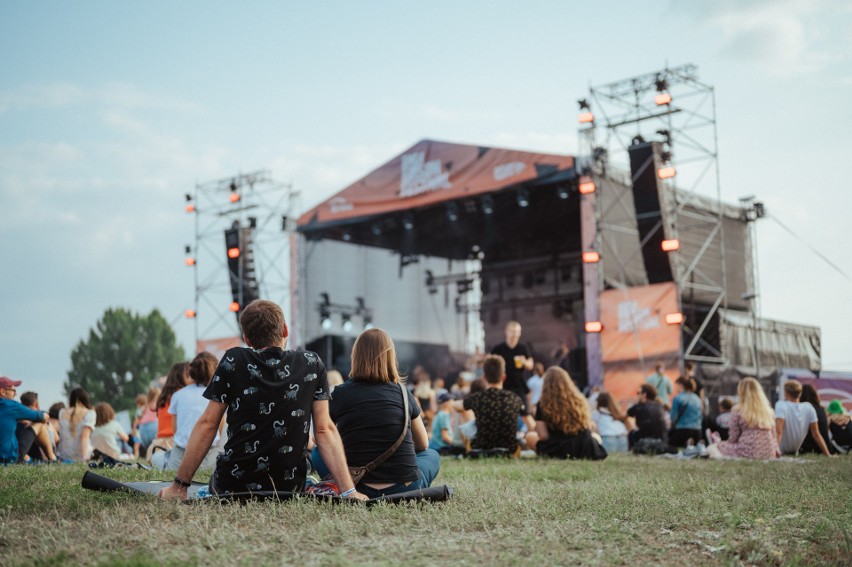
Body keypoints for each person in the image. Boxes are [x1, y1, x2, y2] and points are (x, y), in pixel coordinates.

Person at [160, 299, 364, 500]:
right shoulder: (311, 364)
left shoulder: (234, 360)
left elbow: (208, 424)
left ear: (247, 339)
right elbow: (324, 429)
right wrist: (349, 491)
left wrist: (179, 486)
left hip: (233, 486)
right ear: (285, 330)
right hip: (290, 487)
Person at [312, 328, 440, 497]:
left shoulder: (339, 394)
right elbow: (422, 444)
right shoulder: (404, 393)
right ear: (390, 358)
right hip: (405, 487)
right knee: (431, 454)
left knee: (317, 451)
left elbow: (321, 439)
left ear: (355, 357)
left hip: (356, 485)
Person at [524, 367, 605, 460]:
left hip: (557, 449)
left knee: (530, 436)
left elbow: (543, 436)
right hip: (583, 447)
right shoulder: (580, 401)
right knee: (596, 437)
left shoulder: (543, 404)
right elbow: (589, 427)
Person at [164, 352, 222, 471]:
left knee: (157, 457)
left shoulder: (177, 395)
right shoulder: (217, 396)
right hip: (209, 459)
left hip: (179, 460)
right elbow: (218, 430)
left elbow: (176, 431)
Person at [461, 355, 532, 452]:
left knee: (465, 427)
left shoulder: (477, 398)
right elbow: (530, 424)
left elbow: (457, 406)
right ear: (503, 377)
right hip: (509, 449)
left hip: (482, 448)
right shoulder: (515, 398)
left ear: (484, 377)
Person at [707, 378, 779, 460]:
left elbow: (733, 438)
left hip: (747, 451)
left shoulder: (738, 410)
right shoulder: (769, 411)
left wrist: (722, 444)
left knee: (713, 448)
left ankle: (715, 442)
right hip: (769, 452)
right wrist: (776, 451)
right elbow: (774, 437)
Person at [148, 362, 190, 467]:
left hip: (158, 444)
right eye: (189, 374)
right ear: (181, 377)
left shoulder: (164, 395)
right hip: (173, 443)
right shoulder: (182, 394)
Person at [775, 380, 831, 457]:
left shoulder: (781, 405)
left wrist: (774, 452)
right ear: (800, 394)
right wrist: (828, 454)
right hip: (795, 451)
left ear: (786, 393)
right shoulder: (809, 408)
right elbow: (816, 434)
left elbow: (778, 431)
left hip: (780, 450)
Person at [0, 376, 49, 464]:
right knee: (39, 425)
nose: (15, 394)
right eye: (13, 391)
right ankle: (53, 458)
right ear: (2, 391)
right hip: (8, 459)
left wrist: (19, 419)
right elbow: (43, 416)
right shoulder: (11, 405)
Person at [490, 321, 533, 413]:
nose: (515, 334)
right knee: (503, 413)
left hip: (519, 386)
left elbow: (531, 364)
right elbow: (489, 363)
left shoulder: (523, 348)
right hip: (502, 386)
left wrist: (524, 362)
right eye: (513, 331)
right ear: (507, 332)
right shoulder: (498, 349)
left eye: (517, 332)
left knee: (525, 413)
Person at [57, 387, 96, 462]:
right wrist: (84, 459)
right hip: (80, 455)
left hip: (63, 455)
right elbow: (85, 436)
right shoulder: (90, 413)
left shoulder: (61, 412)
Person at [17, 391, 57, 462]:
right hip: (36, 456)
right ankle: (52, 457)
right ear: (36, 404)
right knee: (42, 425)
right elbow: (57, 439)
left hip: (22, 452)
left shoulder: (18, 416)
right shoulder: (42, 416)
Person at [626, 384, 668, 449]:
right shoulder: (659, 405)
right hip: (662, 442)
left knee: (632, 433)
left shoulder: (639, 406)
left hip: (645, 441)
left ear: (644, 395)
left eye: (638, 393)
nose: (637, 395)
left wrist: (636, 403)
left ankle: (632, 450)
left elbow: (626, 415)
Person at [798, 384, 835, 455]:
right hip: (824, 447)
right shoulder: (821, 409)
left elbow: (815, 433)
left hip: (810, 448)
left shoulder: (805, 409)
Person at [669, 377, 702, 448]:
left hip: (682, 431)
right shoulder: (697, 398)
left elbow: (673, 417)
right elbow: (700, 416)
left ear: (681, 385)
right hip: (697, 431)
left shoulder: (677, 398)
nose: (675, 388)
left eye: (676, 385)